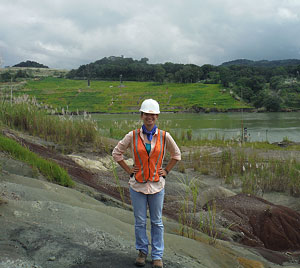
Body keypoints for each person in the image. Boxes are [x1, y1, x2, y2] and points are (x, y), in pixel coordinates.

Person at [112, 99, 181, 268]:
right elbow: (116, 153)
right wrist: (129, 171)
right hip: (138, 185)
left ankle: (157, 255)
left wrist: (166, 171)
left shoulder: (165, 136)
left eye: (152, 115)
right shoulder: (132, 135)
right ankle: (142, 252)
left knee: (157, 221)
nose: (149, 117)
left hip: (157, 186)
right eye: (146, 114)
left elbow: (176, 155)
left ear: (157, 117)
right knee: (140, 220)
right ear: (141, 116)